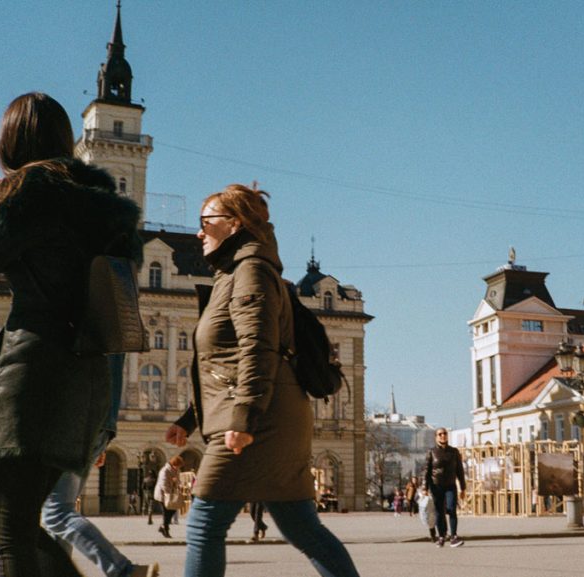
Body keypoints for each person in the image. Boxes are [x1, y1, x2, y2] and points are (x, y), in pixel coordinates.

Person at [0, 92, 143, 576]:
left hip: (30, 381)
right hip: (88, 382)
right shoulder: (110, 209)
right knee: (30, 528)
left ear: (10, 142)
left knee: (11, 537)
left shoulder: (26, 194)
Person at [164, 183, 361, 577]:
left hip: (258, 421)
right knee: (302, 527)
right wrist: (189, 420)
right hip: (266, 414)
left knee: (204, 524)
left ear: (234, 223)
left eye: (207, 222)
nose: (199, 232)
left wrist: (244, 419)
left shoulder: (250, 270)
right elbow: (225, 363)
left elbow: (258, 348)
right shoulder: (234, 271)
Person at [41, 354, 159, 577]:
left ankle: (124, 571)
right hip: (99, 423)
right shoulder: (111, 322)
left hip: (73, 421)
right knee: (58, 519)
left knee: (56, 513)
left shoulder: (81, 320)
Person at [424, 427, 466, 547]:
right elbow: (426, 471)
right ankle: (442, 536)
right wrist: (424, 487)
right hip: (436, 486)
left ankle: (454, 536)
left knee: (452, 509)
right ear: (436, 437)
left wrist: (463, 487)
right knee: (439, 512)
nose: (443, 436)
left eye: (445, 433)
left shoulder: (454, 452)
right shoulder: (431, 452)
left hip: (450, 485)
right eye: (440, 434)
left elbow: (460, 471)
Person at [154, 456, 184, 538]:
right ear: (174, 464)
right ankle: (166, 530)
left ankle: (163, 527)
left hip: (171, 494)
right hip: (163, 495)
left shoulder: (176, 470)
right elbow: (163, 484)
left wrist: (179, 485)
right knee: (166, 512)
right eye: (178, 465)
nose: (178, 467)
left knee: (173, 509)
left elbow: (178, 480)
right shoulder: (165, 470)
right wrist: (169, 494)